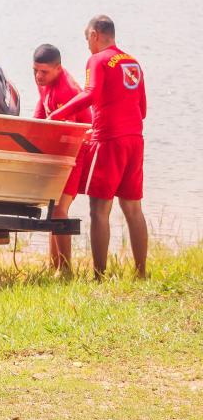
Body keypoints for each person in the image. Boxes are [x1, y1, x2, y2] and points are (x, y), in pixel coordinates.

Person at [49, 15, 147, 279]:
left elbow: (90, 93)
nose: (87, 46)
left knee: (99, 209)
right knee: (133, 208)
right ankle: (141, 272)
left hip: (109, 140)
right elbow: (143, 110)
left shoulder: (97, 60)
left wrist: (59, 114)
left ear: (94, 35)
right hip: (135, 139)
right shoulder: (133, 62)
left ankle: (99, 275)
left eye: (86, 40)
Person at [32, 43, 92, 273]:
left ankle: (65, 270)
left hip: (76, 153)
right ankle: (53, 265)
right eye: (35, 70)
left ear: (58, 68)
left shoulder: (67, 91)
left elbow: (75, 133)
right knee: (53, 208)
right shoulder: (46, 82)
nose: (38, 76)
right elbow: (42, 108)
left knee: (59, 209)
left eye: (44, 72)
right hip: (60, 153)